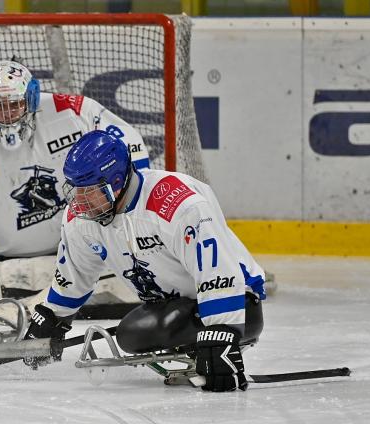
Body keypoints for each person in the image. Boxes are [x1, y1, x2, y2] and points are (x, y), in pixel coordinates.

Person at [23, 130, 266, 392]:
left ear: (116, 182)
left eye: (89, 192)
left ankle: (207, 335)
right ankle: (193, 339)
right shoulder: (81, 219)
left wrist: (222, 332)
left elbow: (216, 268)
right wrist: (52, 317)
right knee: (133, 335)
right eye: (76, 191)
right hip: (174, 306)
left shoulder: (177, 202)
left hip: (238, 300)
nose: (80, 203)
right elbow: (75, 273)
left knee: (140, 332)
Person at [0, 60, 150, 303]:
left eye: (15, 105)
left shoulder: (70, 111)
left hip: (71, 249)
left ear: (32, 98)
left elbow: (130, 146)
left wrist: (129, 216)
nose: (7, 116)